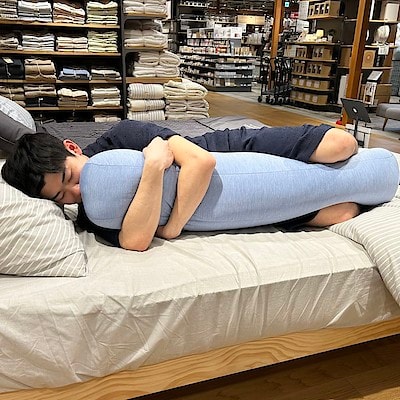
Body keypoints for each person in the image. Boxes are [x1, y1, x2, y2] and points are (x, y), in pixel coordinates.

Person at [2, 119, 359, 251]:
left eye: (70, 178)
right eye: (61, 197)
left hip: (227, 150)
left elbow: (201, 161)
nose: (75, 193)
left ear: (72, 148)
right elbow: (135, 241)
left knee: (342, 145)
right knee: (343, 213)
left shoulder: (123, 136)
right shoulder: (92, 211)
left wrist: (170, 226)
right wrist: (153, 168)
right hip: (218, 206)